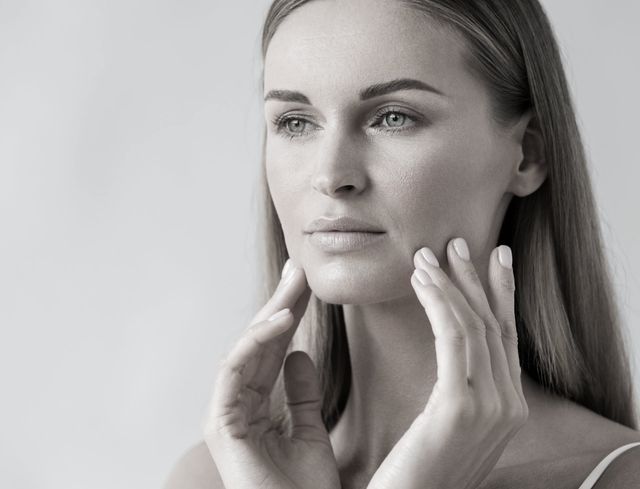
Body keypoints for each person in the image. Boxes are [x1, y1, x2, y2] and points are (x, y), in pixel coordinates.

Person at [165, 0, 640, 487]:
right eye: (295, 122)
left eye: (393, 117)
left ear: (527, 155)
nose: (331, 176)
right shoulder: (216, 476)